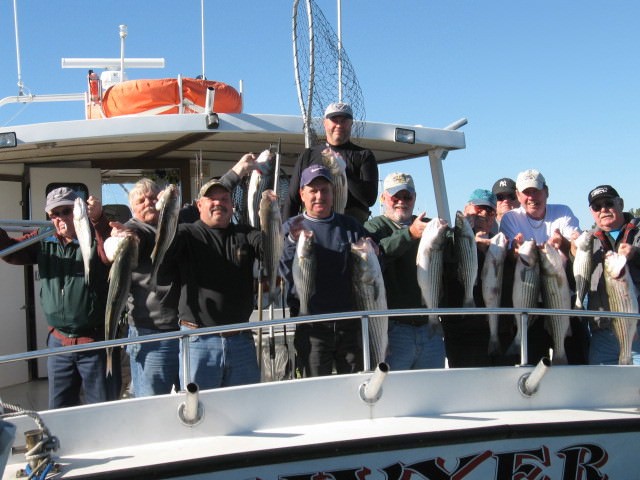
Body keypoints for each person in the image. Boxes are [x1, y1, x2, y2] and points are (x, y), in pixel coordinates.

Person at [112, 157, 258, 397]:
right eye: (141, 200)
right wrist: (117, 240)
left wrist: (238, 170)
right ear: (132, 208)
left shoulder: (178, 221)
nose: (148, 203)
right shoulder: (133, 231)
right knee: (153, 403)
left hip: (185, 332)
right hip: (153, 333)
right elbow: (120, 245)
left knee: (188, 401)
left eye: (153, 198)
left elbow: (211, 201)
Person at [0, 187, 110, 408]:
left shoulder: (95, 236)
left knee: (102, 410)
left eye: (66, 211)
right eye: (54, 214)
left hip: (95, 343)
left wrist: (99, 220)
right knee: (58, 410)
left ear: (80, 211)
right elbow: (11, 251)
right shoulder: (44, 239)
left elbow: (109, 253)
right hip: (58, 343)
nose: (60, 218)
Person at [164, 154, 262, 390]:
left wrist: (284, 229)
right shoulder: (185, 234)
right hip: (198, 341)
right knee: (199, 412)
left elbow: (271, 246)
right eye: (211, 199)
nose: (218, 203)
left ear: (232, 204)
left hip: (241, 340)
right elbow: (163, 240)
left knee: (245, 409)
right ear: (199, 206)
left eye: (224, 198)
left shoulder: (245, 234)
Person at [281, 165, 372, 377]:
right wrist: (292, 242)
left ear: (333, 194)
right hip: (311, 326)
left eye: (325, 190)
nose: (319, 196)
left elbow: (376, 264)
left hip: (350, 325)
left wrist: (374, 251)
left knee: (354, 385)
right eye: (313, 191)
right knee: (315, 389)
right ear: (302, 194)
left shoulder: (350, 226)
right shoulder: (290, 228)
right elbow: (282, 270)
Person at [499, 169, 586, 365]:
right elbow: (514, 255)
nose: (532, 197)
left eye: (536, 191)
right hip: (530, 302)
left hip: (562, 297)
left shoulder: (563, 212)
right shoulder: (511, 218)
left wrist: (563, 242)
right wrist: (516, 249)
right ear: (519, 196)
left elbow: (576, 247)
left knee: (576, 360)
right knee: (533, 363)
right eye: (526, 192)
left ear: (546, 191)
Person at [364, 172, 445, 370]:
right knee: (394, 392)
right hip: (393, 330)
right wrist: (409, 234)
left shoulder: (428, 225)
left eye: (407, 197)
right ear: (383, 199)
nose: (401, 202)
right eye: (395, 197)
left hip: (429, 328)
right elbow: (378, 251)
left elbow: (452, 251)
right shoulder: (373, 227)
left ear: (414, 198)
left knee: (430, 389)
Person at [443, 189, 515, 367]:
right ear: (467, 209)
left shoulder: (500, 243)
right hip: (463, 335)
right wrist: (472, 246)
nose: (483, 214)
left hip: (498, 331)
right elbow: (445, 267)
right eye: (478, 209)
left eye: (489, 211)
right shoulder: (450, 238)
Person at [283, 102, 378, 223]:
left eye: (344, 121)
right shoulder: (308, 155)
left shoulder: (364, 155)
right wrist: (286, 231)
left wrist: (344, 170)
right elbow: (292, 198)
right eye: (334, 120)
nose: (339, 125)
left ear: (351, 124)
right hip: (314, 227)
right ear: (325, 123)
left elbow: (369, 199)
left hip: (350, 229)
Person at [582, 185, 640, 364]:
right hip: (602, 333)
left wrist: (636, 254)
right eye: (597, 207)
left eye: (608, 203)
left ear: (620, 204)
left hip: (637, 331)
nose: (603, 210)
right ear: (592, 212)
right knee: (602, 389)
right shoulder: (587, 240)